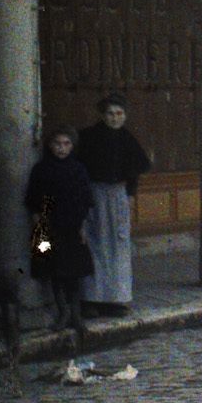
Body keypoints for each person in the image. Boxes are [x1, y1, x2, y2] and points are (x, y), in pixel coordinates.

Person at [77, 93, 152, 317]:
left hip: (118, 195)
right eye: (110, 114)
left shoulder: (127, 139)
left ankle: (116, 299)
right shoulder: (88, 137)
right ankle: (90, 299)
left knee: (118, 247)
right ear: (102, 115)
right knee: (94, 244)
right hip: (95, 195)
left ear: (125, 116)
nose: (115, 118)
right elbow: (81, 171)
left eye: (119, 114)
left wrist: (129, 194)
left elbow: (134, 171)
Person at [25, 126, 95, 340]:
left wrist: (83, 226)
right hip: (50, 226)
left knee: (73, 271)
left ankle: (76, 314)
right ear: (50, 145)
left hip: (72, 227)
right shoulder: (41, 169)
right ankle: (62, 312)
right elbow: (33, 199)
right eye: (57, 144)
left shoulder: (78, 169)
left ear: (72, 146)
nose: (61, 149)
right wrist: (39, 227)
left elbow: (85, 199)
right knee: (54, 270)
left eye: (66, 144)